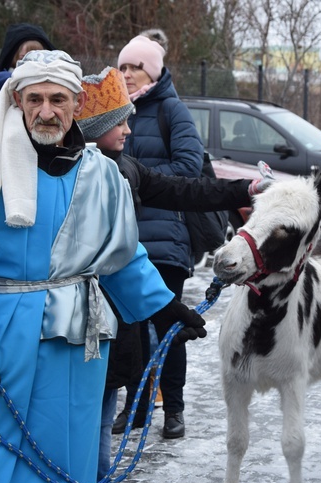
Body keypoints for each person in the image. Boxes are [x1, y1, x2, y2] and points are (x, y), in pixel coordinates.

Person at [0, 50, 207, 483]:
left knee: (67, 454)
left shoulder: (100, 174)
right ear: (17, 100)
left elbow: (122, 256)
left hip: (77, 342)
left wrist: (164, 307)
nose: (46, 111)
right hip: (0, 338)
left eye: (58, 99)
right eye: (35, 99)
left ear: (77, 104)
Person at [77, 67, 273, 483]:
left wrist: (247, 189)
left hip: (118, 315)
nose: (129, 129)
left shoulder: (127, 166)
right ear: (94, 128)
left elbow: (187, 190)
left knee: (103, 405)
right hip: (84, 317)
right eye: (120, 121)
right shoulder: (82, 176)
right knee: (86, 415)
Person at [116, 34, 206, 439]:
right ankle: (135, 407)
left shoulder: (173, 110)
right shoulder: (115, 111)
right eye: (123, 67)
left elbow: (190, 167)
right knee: (128, 328)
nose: (128, 74)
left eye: (136, 67)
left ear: (152, 71)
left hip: (165, 239)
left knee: (169, 326)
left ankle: (174, 408)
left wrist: (140, 180)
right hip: (123, 238)